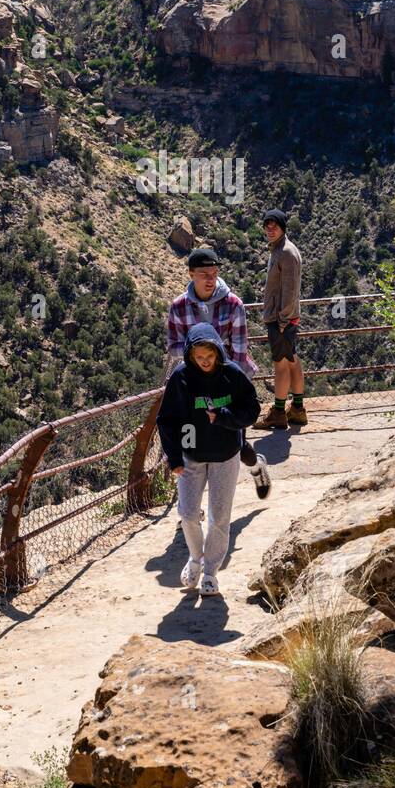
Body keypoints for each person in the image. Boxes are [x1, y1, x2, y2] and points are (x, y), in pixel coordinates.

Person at [157, 322, 261, 596]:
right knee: (188, 514)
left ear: (218, 352)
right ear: (190, 355)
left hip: (225, 455)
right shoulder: (181, 378)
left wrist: (226, 417)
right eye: (199, 357)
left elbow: (252, 409)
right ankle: (195, 558)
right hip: (191, 456)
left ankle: (211, 572)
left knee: (219, 517)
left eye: (210, 356)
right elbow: (166, 420)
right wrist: (174, 458)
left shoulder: (233, 375)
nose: (205, 362)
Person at [165, 246, 271, 497]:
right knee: (190, 447)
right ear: (191, 274)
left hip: (227, 384)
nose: (210, 279)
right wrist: (201, 352)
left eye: (214, 273)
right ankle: (189, 511)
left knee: (237, 444)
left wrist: (213, 362)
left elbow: (239, 350)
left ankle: (257, 466)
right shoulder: (178, 307)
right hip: (193, 388)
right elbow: (174, 347)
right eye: (204, 274)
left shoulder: (233, 304)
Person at [254, 209, 306, 430]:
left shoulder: (286, 252)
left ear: (283, 227)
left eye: (274, 225)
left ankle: (278, 412)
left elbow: (291, 290)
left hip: (281, 319)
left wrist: (283, 320)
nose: (270, 228)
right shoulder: (279, 250)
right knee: (291, 359)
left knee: (281, 365)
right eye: (267, 224)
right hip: (284, 318)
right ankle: (297, 409)